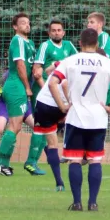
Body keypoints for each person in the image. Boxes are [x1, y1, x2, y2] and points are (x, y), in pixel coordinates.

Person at [49, 28, 110, 211]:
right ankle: (93, 203)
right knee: (95, 160)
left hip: (76, 116)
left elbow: (53, 81)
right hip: (98, 118)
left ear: (80, 43)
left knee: (74, 160)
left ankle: (77, 203)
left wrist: (63, 106)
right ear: (97, 44)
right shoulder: (107, 63)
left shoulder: (70, 60)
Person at [24, 19, 78, 174]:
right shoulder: (45, 46)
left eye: (59, 30)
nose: (56, 33)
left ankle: (50, 154)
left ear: (63, 32)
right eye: (53, 30)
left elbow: (77, 62)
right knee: (42, 128)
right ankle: (31, 162)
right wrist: (46, 90)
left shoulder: (69, 46)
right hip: (46, 95)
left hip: (61, 94)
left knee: (56, 126)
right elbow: (37, 70)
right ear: (49, 33)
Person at [0, 13, 36, 176]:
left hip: (18, 86)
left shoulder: (30, 43)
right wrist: (27, 87)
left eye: (28, 23)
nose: (27, 25)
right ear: (15, 27)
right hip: (15, 85)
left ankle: (4, 164)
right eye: (22, 23)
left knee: (17, 126)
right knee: (14, 126)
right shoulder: (18, 40)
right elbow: (20, 65)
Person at [87, 12, 110, 106]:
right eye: (88, 22)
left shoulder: (104, 36)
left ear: (100, 24)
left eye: (92, 22)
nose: (88, 25)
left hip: (107, 83)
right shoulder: (91, 39)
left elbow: (103, 56)